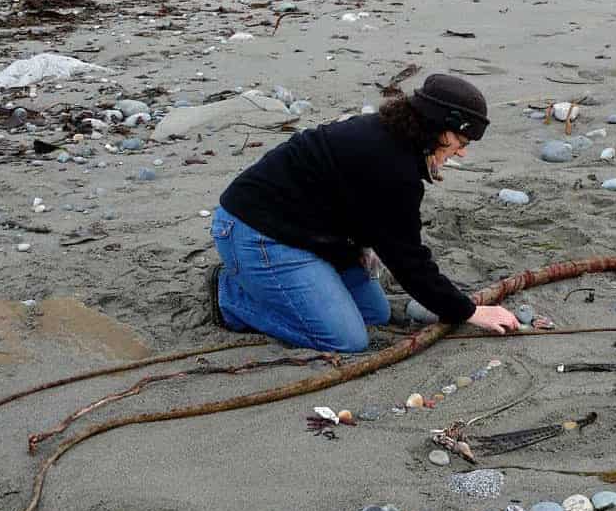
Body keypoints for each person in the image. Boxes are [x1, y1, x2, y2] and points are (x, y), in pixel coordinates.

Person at [208, 73, 520, 351]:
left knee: (375, 314)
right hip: (257, 233)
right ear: (439, 128)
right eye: (461, 141)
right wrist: (468, 311)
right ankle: (232, 298)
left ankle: (268, 283)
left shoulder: (395, 137)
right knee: (345, 339)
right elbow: (408, 260)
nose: (461, 152)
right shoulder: (393, 167)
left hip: (307, 230)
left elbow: (349, 197)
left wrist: (358, 243)